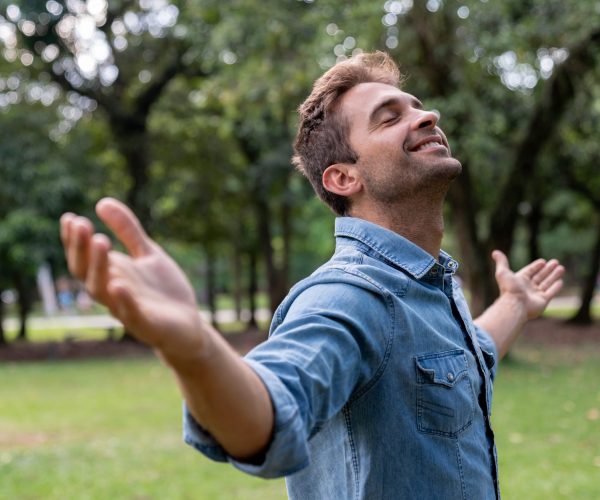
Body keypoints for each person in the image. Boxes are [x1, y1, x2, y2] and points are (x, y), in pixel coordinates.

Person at [60, 52, 564, 499]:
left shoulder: (429, 285)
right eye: (390, 118)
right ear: (345, 177)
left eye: (417, 106)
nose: (426, 115)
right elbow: (268, 415)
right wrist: (194, 349)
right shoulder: (349, 298)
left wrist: (515, 304)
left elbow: (461, 358)